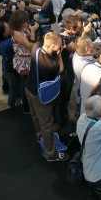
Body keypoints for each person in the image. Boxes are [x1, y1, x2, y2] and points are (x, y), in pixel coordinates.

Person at [24, 32, 68, 161]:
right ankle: (51, 154)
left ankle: (40, 137)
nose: (61, 45)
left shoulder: (36, 47)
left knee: (35, 116)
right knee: (47, 124)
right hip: (41, 96)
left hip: (29, 89)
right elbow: (60, 69)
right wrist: (59, 55)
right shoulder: (51, 65)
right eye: (60, 44)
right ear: (54, 46)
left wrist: (57, 36)